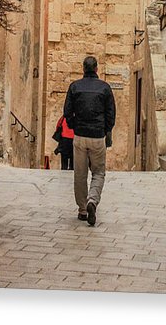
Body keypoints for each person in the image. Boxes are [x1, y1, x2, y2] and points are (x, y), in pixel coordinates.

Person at [63, 55, 116, 226]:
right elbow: (111, 114)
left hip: (80, 136)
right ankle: (92, 200)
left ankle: (83, 210)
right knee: (98, 172)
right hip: (97, 136)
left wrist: (74, 126)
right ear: (97, 69)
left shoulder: (75, 87)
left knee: (80, 174)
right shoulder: (105, 88)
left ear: (83, 69)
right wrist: (106, 130)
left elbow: (67, 112)